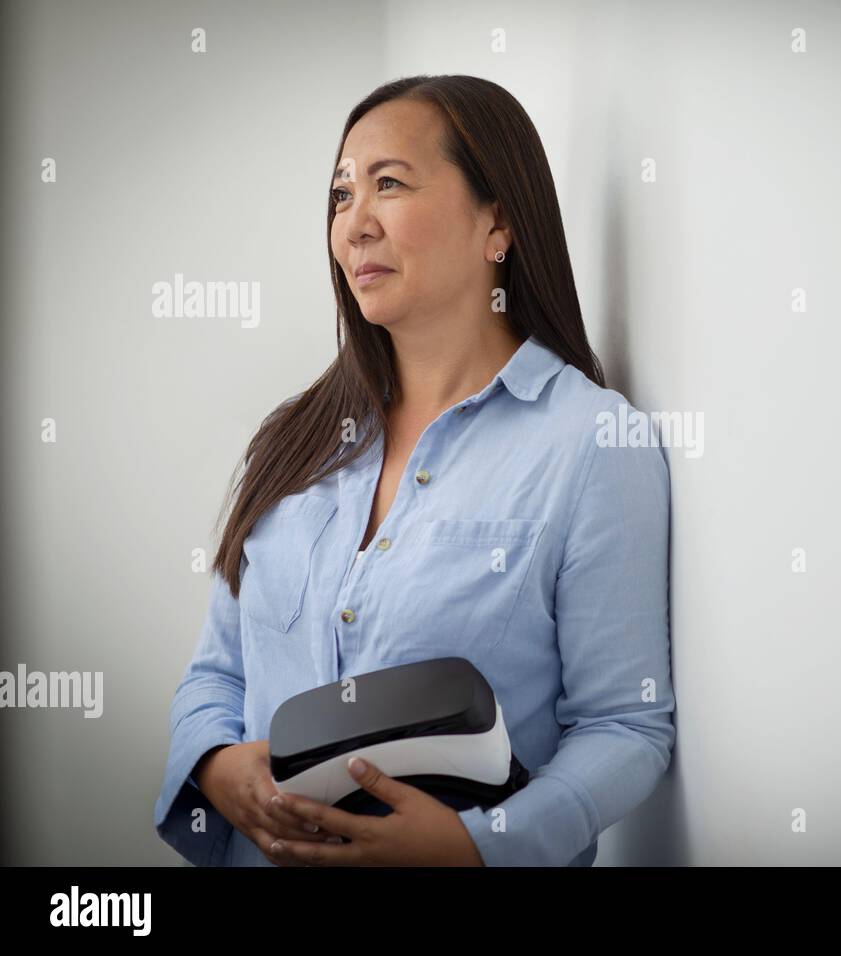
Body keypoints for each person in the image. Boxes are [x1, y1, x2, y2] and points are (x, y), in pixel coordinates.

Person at [152, 74, 675, 866]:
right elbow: (217, 675)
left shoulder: (593, 446)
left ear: (496, 220)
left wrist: (479, 846)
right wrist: (215, 767)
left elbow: (625, 727)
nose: (353, 224)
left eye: (388, 184)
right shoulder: (293, 442)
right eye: (339, 195)